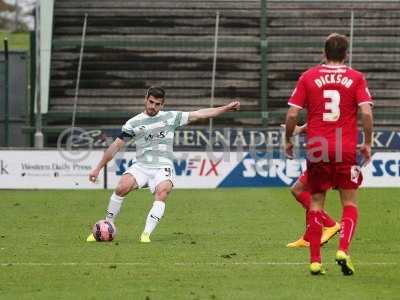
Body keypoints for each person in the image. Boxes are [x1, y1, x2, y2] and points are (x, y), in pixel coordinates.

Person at [86, 86, 240, 243]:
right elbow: (115, 146)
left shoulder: (171, 117)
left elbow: (200, 114)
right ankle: (107, 225)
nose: (153, 106)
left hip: (163, 166)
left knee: (162, 191)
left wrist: (226, 108)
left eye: (157, 104)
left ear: (163, 104)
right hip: (141, 166)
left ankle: (145, 235)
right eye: (151, 102)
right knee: (121, 188)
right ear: (145, 99)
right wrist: (98, 168)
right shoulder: (133, 123)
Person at [284, 33, 373, 275]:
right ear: (346, 54)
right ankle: (343, 249)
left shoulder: (308, 77)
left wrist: (288, 139)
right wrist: (367, 142)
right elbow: (366, 113)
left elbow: (292, 114)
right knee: (350, 203)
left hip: (317, 147)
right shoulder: (356, 77)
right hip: (345, 147)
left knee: (315, 202)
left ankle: (314, 261)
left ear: (324, 53)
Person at [283, 124, 341, 249]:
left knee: (299, 190)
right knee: (305, 192)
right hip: (325, 151)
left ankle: (329, 224)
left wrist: (298, 130)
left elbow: (321, 118)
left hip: (324, 153)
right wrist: (300, 129)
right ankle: (308, 238)